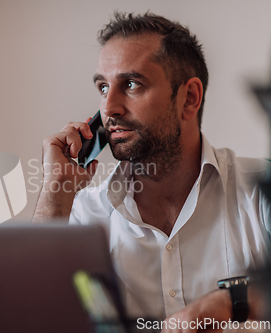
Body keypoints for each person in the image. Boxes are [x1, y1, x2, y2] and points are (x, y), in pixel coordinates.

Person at [32, 12, 271, 330]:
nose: (109, 108)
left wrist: (229, 301)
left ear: (189, 97)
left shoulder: (259, 191)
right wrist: (55, 188)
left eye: (131, 84)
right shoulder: (83, 215)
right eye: (103, 87)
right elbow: (32, 314)